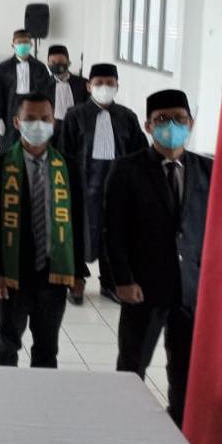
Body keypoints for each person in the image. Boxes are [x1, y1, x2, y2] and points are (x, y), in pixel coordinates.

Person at [105, 89, 212, 428]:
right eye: (163, 119)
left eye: (179, 119)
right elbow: (113, 230)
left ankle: (180, 429)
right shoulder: (126, 170)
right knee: (132, 367)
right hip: (143, 288)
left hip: (190, 290)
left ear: (190, 123)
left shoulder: (208, 171)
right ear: (149, 126)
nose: (172, 126)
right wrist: (123, 280)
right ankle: (123, 427)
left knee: (185, 370)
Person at [0, 93, 87, 368]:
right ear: (17, 122)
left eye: (45, 119)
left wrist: (78, 271)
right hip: (13, 273)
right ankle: (6, 392)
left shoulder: (68, 167)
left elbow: (78, 220)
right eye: (30, 118)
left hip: (54, 272)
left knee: (47, 348)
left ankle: (42, 394)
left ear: (54, 122)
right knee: (8, 344)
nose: (38, 124)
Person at [58, 63, 147, 303]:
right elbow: (65, 153)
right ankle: (76, 281)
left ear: (117, 86)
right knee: (78, 232)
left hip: (117, 188)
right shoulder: (75, 115)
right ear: (89, 86)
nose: (104, 88)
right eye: (99, 83)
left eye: (110, 83)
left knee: (114, 234)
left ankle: (110, 282)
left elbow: (139, 153)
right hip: (83, 186)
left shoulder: (127, 117)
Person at [0, 29, 51, 152]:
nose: (23, 45)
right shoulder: (3, 68)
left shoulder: (40, 67)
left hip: (33, 111)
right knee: (9, 146)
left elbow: (47, 92)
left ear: (31, 45)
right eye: (19, 42)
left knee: (32, 145)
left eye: (25, 42)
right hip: (9, 112)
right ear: (13, 45)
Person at [41, 45, 88, 139]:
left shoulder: (83, 84)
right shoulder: (42, 85)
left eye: (61, 61)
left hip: (77, 130)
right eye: (53, 62)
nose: (57, 64)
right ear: (48, 64)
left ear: (68, 62)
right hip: (51, 131)